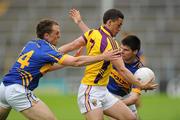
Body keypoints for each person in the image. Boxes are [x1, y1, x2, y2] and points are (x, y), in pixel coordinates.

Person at [0, 19, 121, 120]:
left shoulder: (31, 44)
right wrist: (103, 57)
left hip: (3, 88)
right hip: (17, 90)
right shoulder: (46, 49)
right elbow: (76, 62)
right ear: (46, 35)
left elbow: (47, 68)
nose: (59, 36)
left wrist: (74, 55)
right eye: (56, 33)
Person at [58, 8, 158, 120]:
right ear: (109, 22)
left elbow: (72, 45)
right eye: (118, 25)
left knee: (131, 118)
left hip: (103, 91)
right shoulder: (111, 43)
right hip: (90, 90)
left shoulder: (93, 33)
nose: (120, 29)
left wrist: (53, 52)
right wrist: (141, 85)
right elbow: (122, 69)